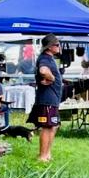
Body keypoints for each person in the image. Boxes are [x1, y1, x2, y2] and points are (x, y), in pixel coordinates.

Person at [28, 34, 63, 162]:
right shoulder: (45, 59)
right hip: (47, 99)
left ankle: (47, 154)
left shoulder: (49, 58)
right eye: (57, 44)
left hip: (52, 99)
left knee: (53, 126)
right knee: (47, 126)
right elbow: (43, 70)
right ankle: (42, 156)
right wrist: (52, 78)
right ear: (49, 47)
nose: (59, 47)